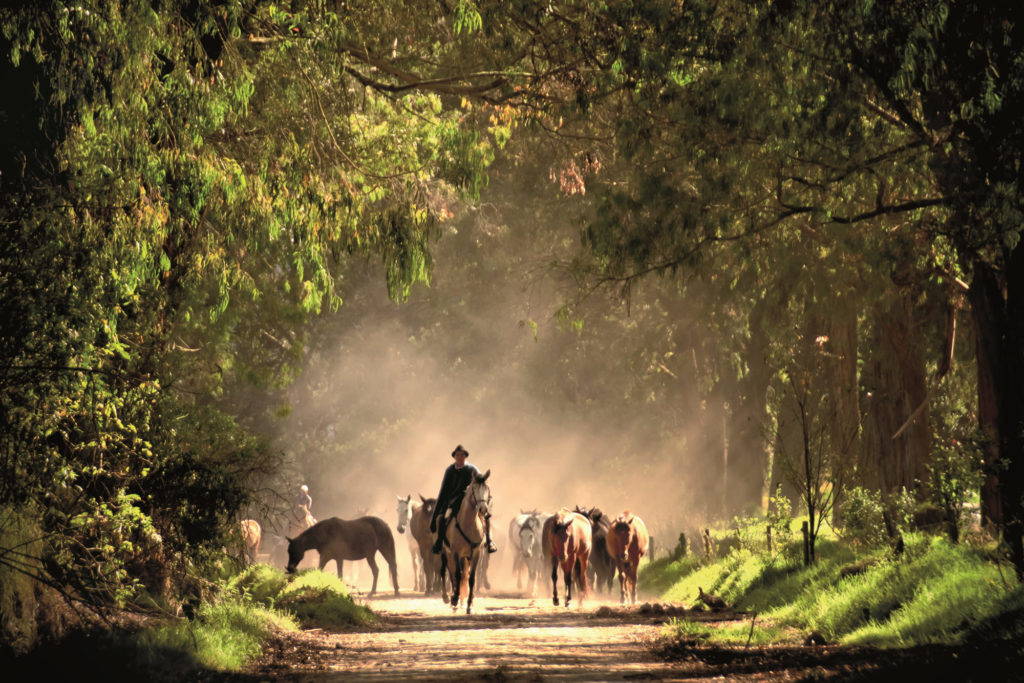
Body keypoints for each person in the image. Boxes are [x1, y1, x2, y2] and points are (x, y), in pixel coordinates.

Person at [430, 444, 497, 554]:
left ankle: (489, 542)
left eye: (462, 455)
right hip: (454, 502)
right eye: (457, 455)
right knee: (442, 518)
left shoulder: (472, 469)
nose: (460, 457)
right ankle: (440, 543)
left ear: (465, 456)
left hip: (471, 501)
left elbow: (481, 483)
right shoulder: (450, 471)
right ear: (454, 457)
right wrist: (434, 517)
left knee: (486, 516)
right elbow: (443, 491)